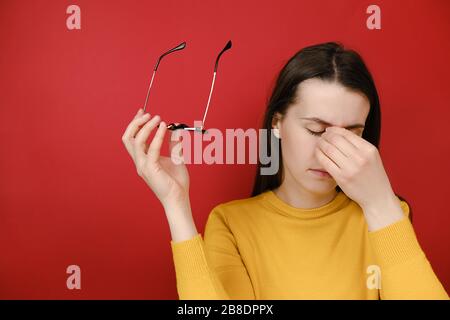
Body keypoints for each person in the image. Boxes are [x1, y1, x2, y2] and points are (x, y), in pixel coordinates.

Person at [121, 42, 449, 299]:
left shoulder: (386, 216)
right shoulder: (232, 224)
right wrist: (175, 205)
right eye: (316, 130)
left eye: (352, 133)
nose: (330, 150)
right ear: (277, 123)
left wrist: (381, 203)